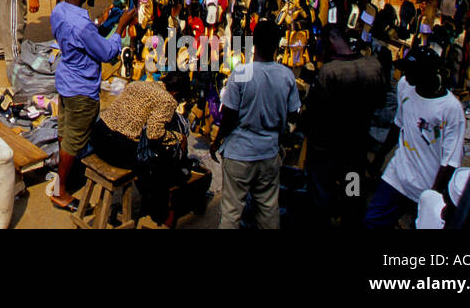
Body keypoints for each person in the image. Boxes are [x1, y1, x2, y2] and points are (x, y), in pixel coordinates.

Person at [49, 0, 128, 210]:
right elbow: (106, 53)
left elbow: (82, 38)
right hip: (82, 88)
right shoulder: (83, 25)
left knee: (65, 131)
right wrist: (121, 28)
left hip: (66, 81)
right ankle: (61, 192)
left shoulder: (58, 12)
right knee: (74, 140)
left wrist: (100, 27)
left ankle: (64, 178)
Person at [210, 20, 300, 229]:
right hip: (268, 153)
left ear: (254, 43)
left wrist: (217, 141)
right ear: (277, 44)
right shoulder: (286, 76)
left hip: (240, 153)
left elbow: (229, 116)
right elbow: (294, 114)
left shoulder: (241, 74)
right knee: (268, 211)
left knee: (231, 212)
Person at [365, 48, 464, 228]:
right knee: (373, 221)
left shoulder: (451, 109)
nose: (405, 74)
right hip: (398, 174)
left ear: (426, 74)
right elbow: (398, 124)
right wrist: (379, 158)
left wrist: (431, 197)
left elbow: (450, 161)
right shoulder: (405, 85)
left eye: (411, 71)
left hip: (426, 185)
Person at [303, 25, 386, 227]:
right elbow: (381, 102)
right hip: (356, 148)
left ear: (330, 42)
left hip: (327, 150)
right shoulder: (373, 66)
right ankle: (351, 221)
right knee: (353, 192)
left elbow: (313, 111)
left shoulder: (329, 72)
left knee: (321, 195)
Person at [93, 70, 190, 227]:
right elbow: (154, 134)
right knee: (154, 164)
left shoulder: (138, 84)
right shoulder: (168, 100)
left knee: (145, 154)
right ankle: (160, 213)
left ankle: (150, 200)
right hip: (113, 147)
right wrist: (179, 138)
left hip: (98, 136)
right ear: (177, 93)